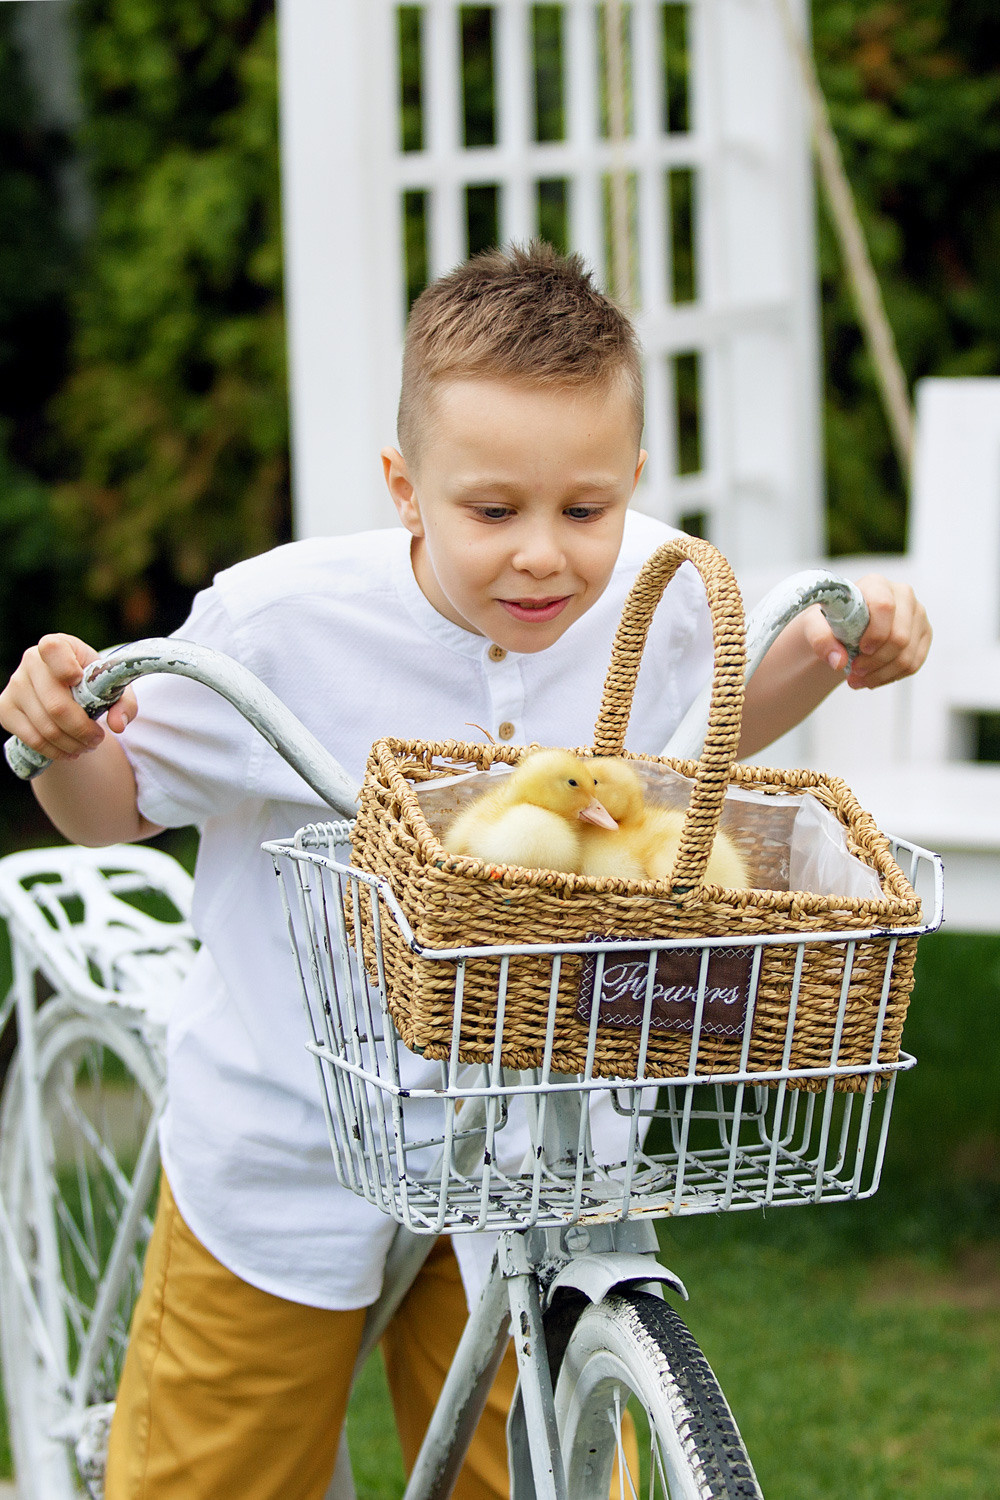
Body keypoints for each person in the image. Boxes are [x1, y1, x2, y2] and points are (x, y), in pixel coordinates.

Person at [0, 242, 932, 1500]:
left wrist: (830, 652)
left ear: (633, 483)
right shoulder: (280, 624)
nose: (543, 555)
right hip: (294, 1139)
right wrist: (57, 740)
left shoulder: (660, 592)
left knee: (534, 1465)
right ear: (405, 487)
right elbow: (112, 806)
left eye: (585, 510)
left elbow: (700, 729)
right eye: (492, 512)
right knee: (214, 1478)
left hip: (543, 1146)